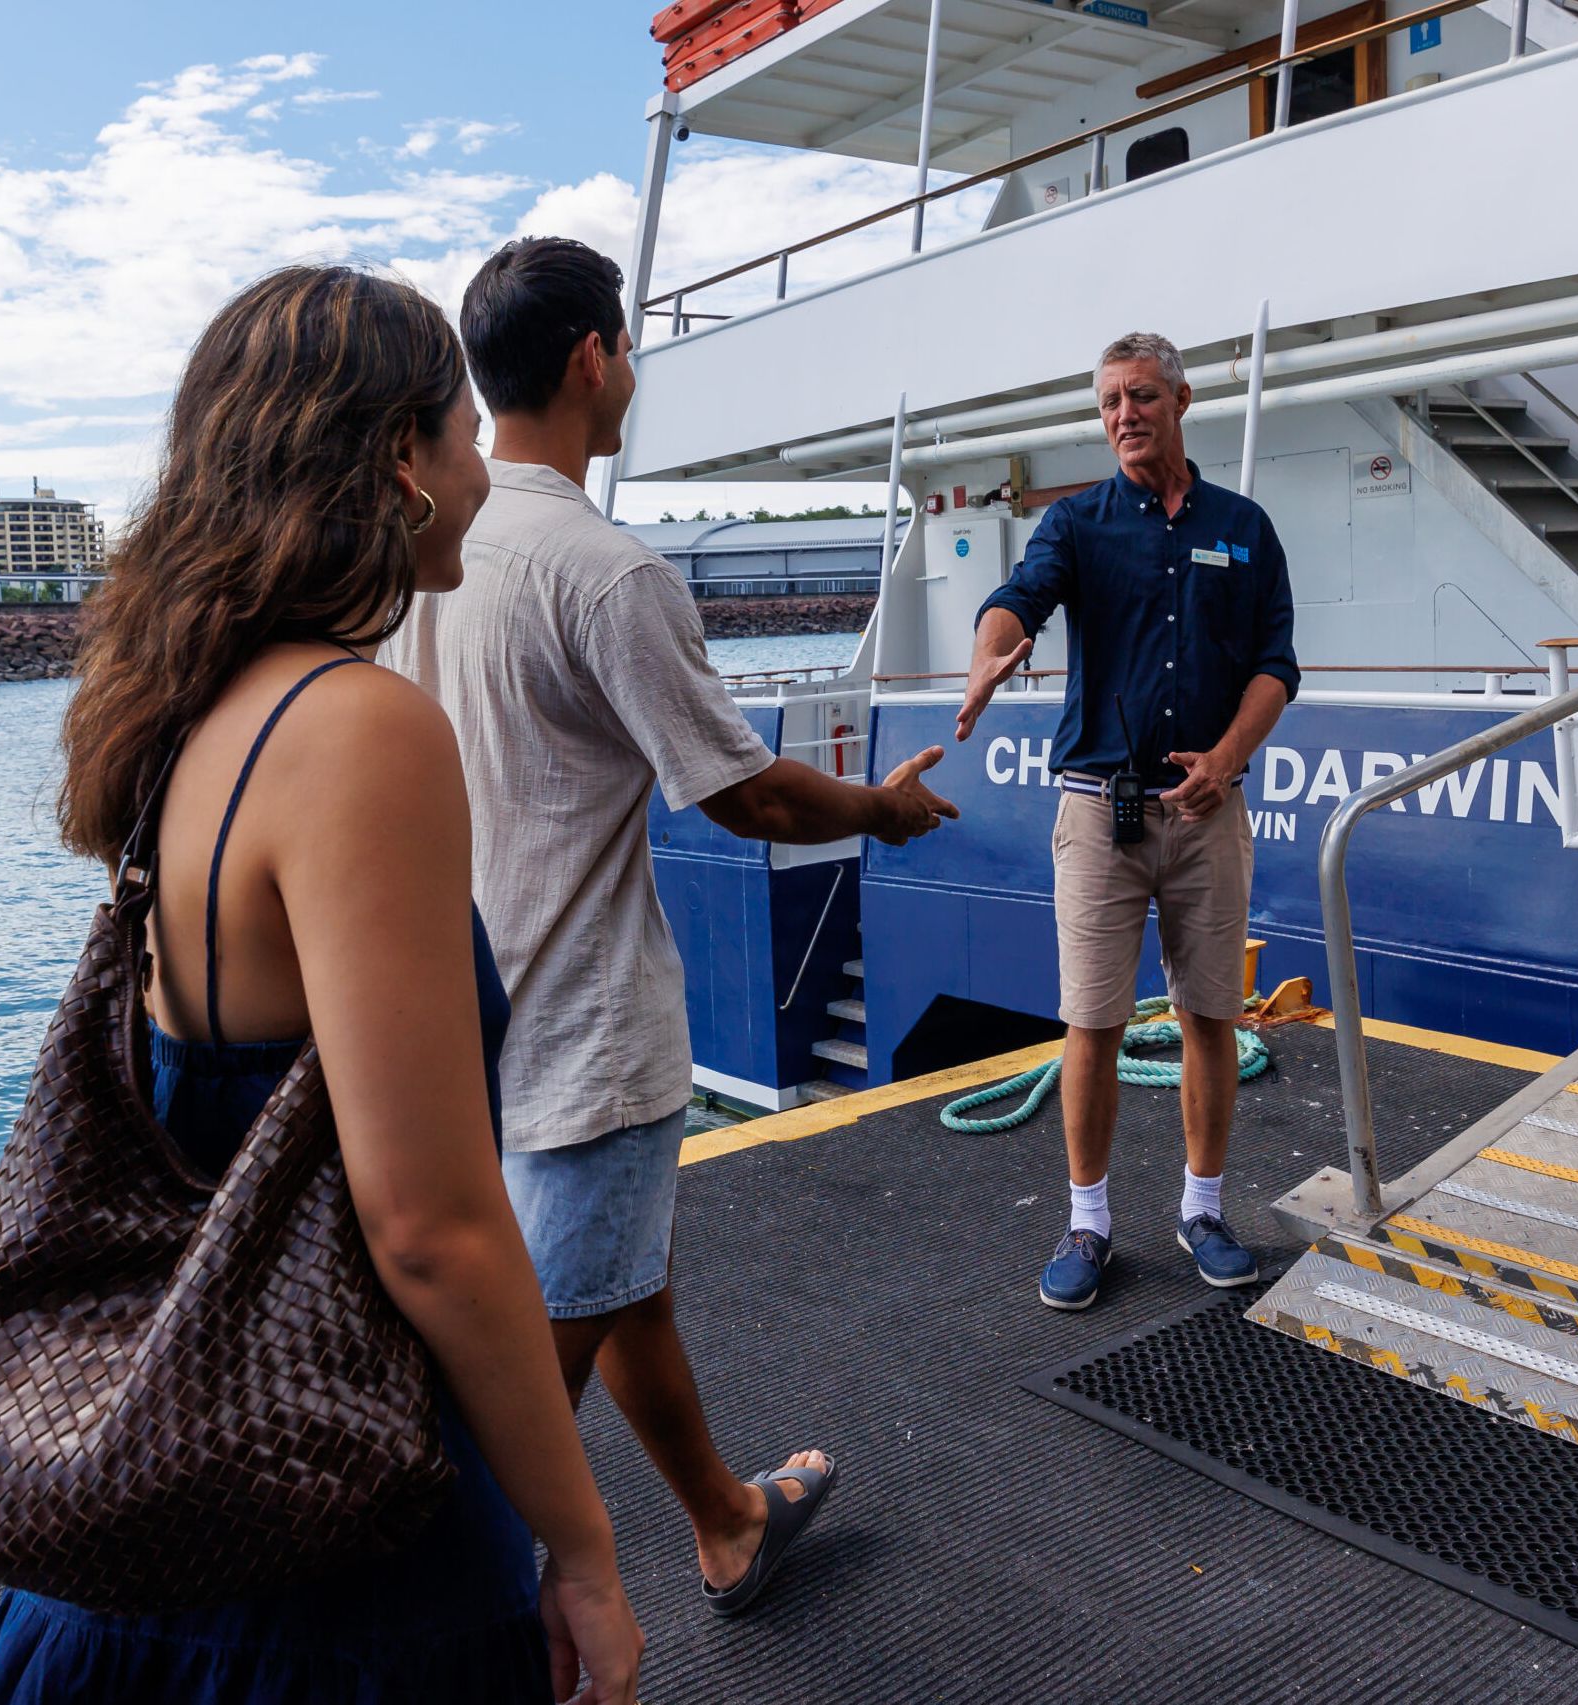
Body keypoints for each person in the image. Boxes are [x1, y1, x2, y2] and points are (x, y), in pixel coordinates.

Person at [0, 265, 642, 1702]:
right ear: (397, 459)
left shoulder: (188, 717)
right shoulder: (361, 733)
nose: (478, 472)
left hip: (172, 1521)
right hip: (342, 1536)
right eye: (460, 436)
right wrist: (579, 1548)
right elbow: (431, 1228)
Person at [382, 236, 956, 1618]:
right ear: (593, 360)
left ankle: (725, 1521)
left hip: (464, 1021)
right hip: (587, 1031)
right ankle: (473, 1635)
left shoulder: (433, 553)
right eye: (627, 346)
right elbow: (746, 792)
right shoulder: (606, 569)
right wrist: (877, 808)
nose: (631, 369)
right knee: (533, 1387)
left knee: (621, 1283)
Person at [953, 330, 1298, 1312]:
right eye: (1108, 402)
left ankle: (1202, 1210)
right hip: (1099, 812)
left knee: (1209, 1018)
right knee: (1093, 1025)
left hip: (1211, 814)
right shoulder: (1078, 524)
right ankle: (1089, 1222)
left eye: (1141, 396)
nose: (1123, 416)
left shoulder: (1245, 527)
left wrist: (1227, 761)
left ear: (1181, 400)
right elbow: (1017, 599)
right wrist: (992, 654)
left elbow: (1278, 663)